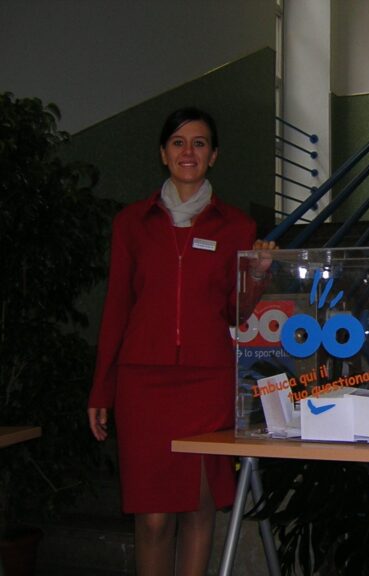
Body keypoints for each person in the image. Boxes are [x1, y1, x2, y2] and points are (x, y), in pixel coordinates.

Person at [87, 107, 275, 576]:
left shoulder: (237, 227)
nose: (188, 151)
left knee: (198, 509)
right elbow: (116, 308)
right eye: (178, 142)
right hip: (143, 385)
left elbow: (234, 312)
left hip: (205, 384)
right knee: (152, 520)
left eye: (199, 143)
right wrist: (101, 389)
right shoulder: (131, 223)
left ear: (213, 155)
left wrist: (256, 276)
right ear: (163, 153)